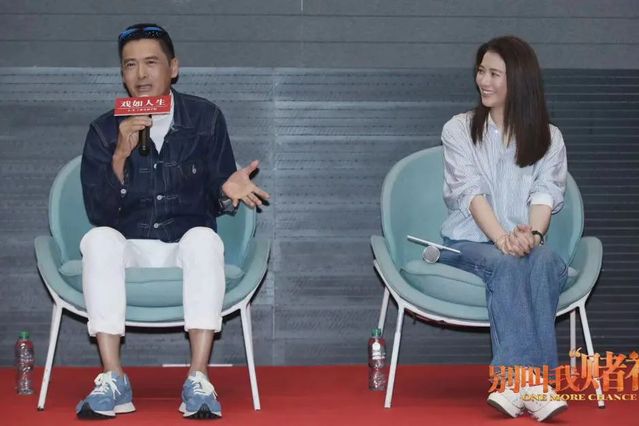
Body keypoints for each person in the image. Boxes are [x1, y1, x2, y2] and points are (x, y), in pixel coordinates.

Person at [76, 23, 269, 420]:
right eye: (130, 65)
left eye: (151, 62)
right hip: (130, 245)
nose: (140, 74)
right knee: (97, 240)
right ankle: (113, 378)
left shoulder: (205, 118)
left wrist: (226, 190)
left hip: (184, 243)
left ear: (174, 67)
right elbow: (99, 213)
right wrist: (120, 155)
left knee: (205, 240)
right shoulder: (104, 129)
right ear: (122, 73)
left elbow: (216, 196)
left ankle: (198, 378)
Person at [437, 36, 569, 422]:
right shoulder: (459, 129)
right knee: (508, 263)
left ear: (520, 80)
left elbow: (546, 193)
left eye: (495, 74)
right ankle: (534, 385)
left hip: (523, 241)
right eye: (481, 71)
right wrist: (501, 239)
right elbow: (470, 193)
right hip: (468, 242)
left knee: (544, 261)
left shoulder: (549, 137)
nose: (484, 81)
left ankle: (520, 389)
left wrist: (533, 237)